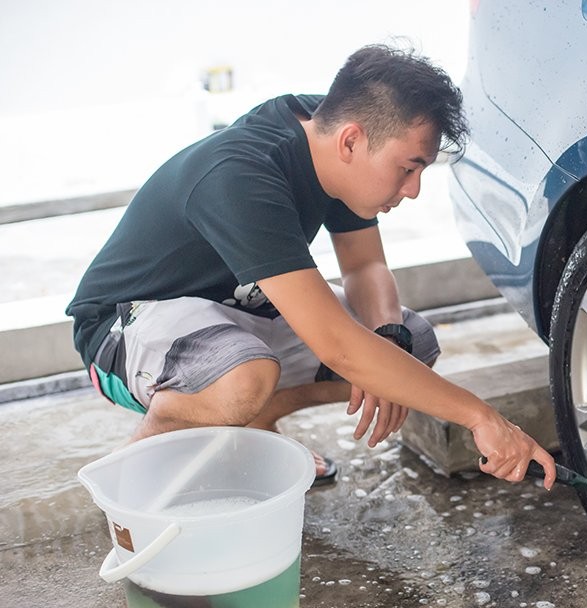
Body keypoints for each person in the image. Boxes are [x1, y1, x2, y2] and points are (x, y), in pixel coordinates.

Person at [66, 44, 556, 490]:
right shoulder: (243, 176)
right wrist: (482, 418)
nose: (413, 190)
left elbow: (364, 267)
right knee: (245, 377)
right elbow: (339, 347)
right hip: (124, 327)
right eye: (408, 168)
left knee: (410, 343)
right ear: (350, 142)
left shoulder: (330, 132)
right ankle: (135, 474)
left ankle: (252, 432)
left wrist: (386, 342)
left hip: (234, 316)